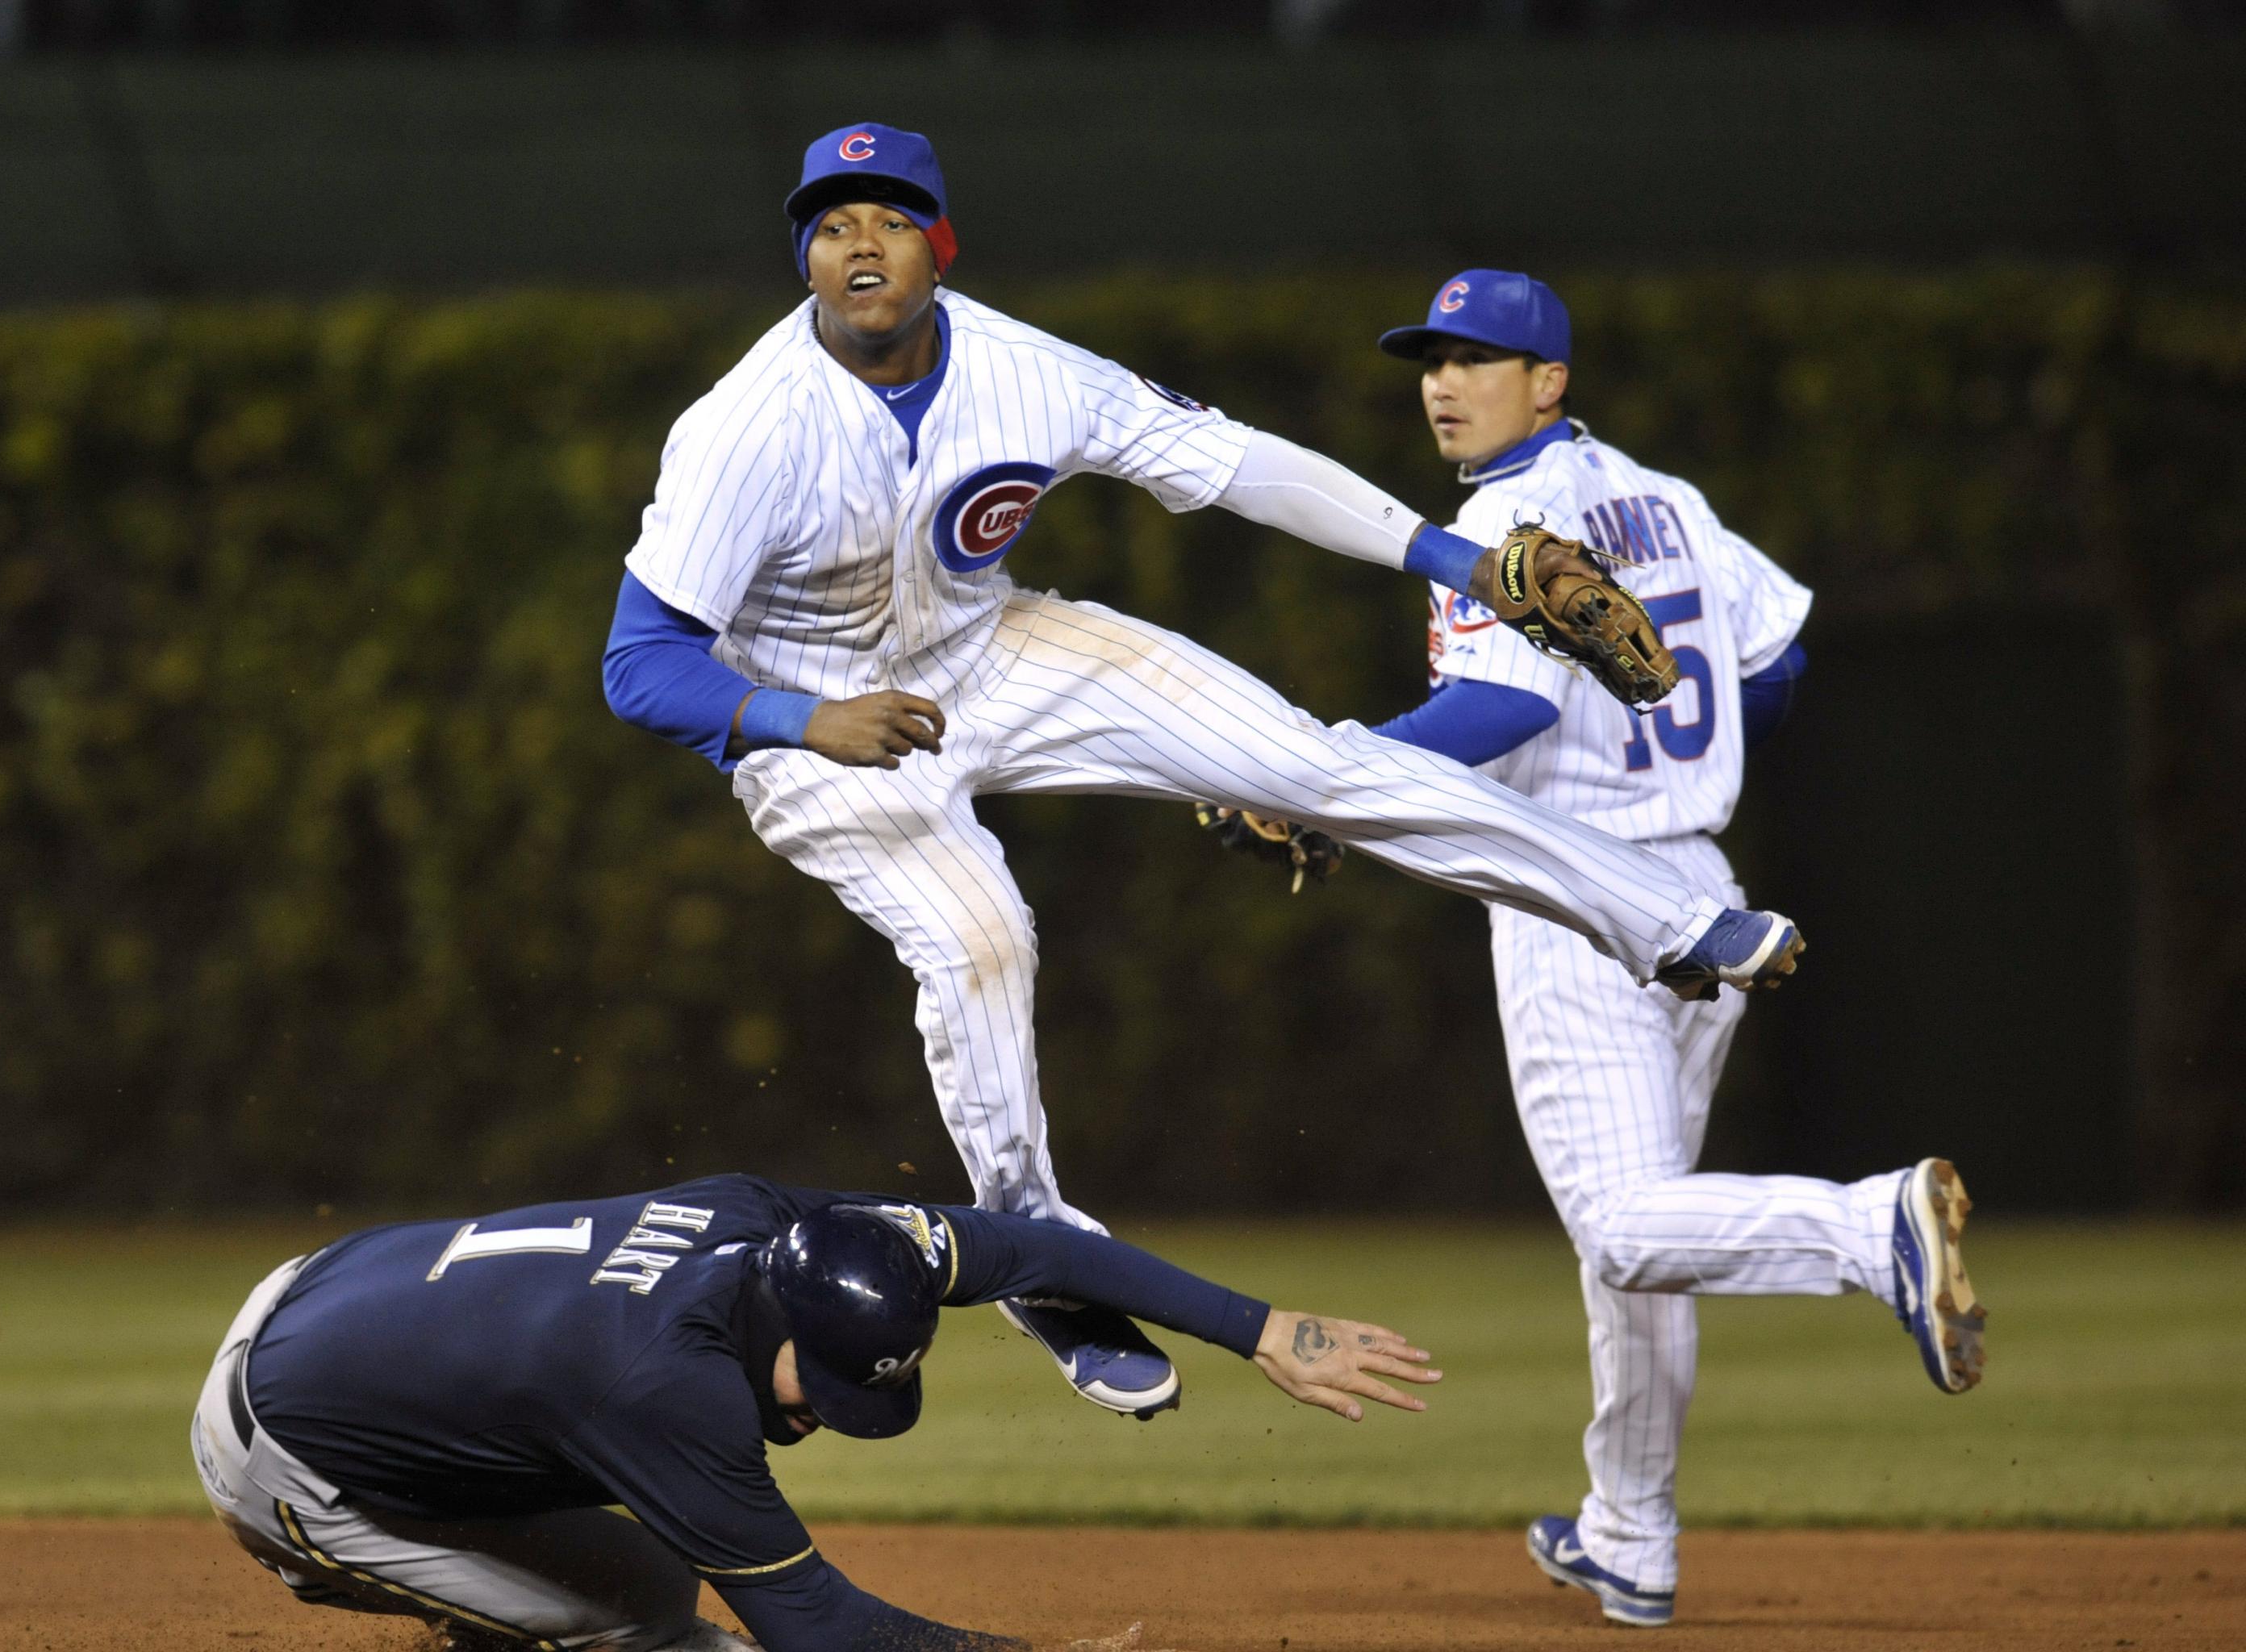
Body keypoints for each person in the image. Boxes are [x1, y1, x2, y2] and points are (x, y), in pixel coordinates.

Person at [600, 124, 1803, 1420]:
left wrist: (1460, 566)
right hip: (813, 721)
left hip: (991, 644)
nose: (859, 243)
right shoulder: (746, 426)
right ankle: (1042, 1260)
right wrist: (793, 716)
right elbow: (639, 663)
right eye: (832, 223)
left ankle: (1669, 921)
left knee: (1302, 763)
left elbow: (1243, 468)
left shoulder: (1024, 371)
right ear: (804, 255)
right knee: (982, 937)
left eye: (889, 217)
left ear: (938, 247)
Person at [1315, 270, 1984, 1628]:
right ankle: (1628, 1532)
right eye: (1430, 360)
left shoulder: (1502, 520)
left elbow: (1496, 709)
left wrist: (1322, 772)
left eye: (1479, 359)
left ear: (1548, 380)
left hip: (1580, 899)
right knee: (1638, 1237)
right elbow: (1777, 658)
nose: (1444, 383)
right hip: (1697, 886)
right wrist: (1668, 753)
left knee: (1624, 1228)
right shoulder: (1663, 499)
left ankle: (1870, 1230)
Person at [190, 1174, 1439, 1651]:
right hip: (293, 1458)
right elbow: (822, 1631)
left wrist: (1264, 1329)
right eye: (824, 1390)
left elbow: (1025, 1248)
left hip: (336, 1298)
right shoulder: (661, 1389)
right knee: (651, 1628)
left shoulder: (773, 1229)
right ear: (778, 1327)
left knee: (638, 1582)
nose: (820, 1420)